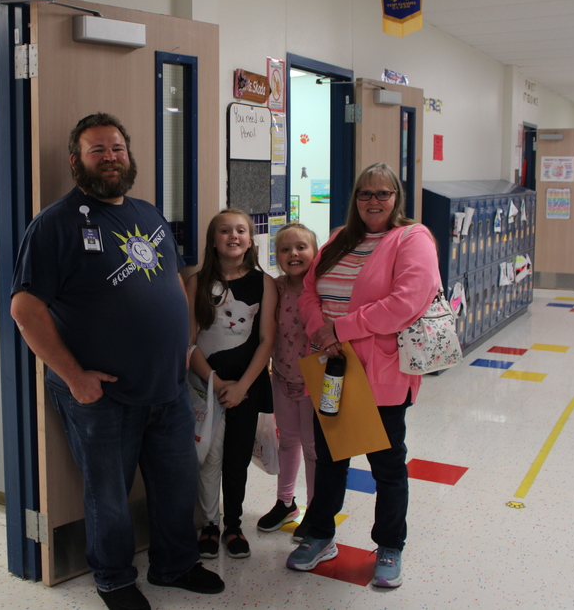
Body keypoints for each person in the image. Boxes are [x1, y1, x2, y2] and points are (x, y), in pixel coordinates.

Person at [10, 113, 224, 610]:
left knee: (176, 485)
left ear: (130, 155)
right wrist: (74, 377)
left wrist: (180, 344)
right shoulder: (55, 225)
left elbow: (172, 280)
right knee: (108, 495)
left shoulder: (149, 215)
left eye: (117, 148)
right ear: (76, 161)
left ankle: (174, 564)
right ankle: (112, 578)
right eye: (97, 150)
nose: (110, 158)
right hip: (101, 395)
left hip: (167, 388)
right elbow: (25, 308)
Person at [286, 163, 440, 589]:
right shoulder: (339, 238)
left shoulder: (413, 239)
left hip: (381, 373)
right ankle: (320, 534)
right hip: (333, 368)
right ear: (355, 199)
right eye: (365, 194)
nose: (374, 202)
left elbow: (405, 302)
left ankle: (390, 545)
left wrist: (341, 328)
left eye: (383, 194)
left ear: (397, 198)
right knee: (331, 458)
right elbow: (309, 290)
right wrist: (322, 331)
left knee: (386, 466)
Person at [186, 209, 276, 560]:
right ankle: (210, 524)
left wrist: (241, 387)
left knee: (236, 461)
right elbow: (189, 342)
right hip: (205, 389)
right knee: (208, 460)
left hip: (247, 388)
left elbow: (267, 340)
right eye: (224, 230)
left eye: (241, 230)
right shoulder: (196, 283)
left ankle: (233, 525)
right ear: (213, 240)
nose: (233, 236)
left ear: (251, 241)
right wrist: (214, 380)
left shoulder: (264, 283)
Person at [256, 222, 318, 540]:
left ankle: (315, 509)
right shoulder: (275, 288)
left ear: (314, 252)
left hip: (313, 384)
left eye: (300, 247)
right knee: (288, 443)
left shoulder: (320, 289)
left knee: (312, 448)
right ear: (277, 255)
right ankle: (285, 503)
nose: (293, 253)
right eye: (284, 249)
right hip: (280, 378)